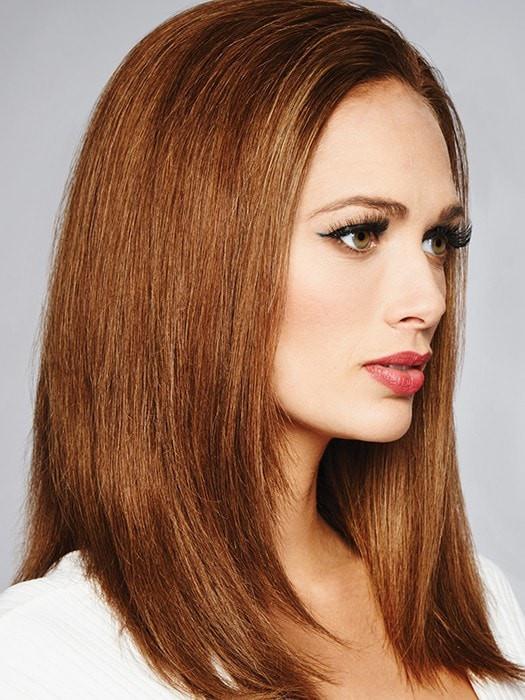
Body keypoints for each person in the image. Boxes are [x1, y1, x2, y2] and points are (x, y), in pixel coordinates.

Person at [1, 0, 524, 698]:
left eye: (439, 240)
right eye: (358, 233)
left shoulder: (481, 611)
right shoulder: (46, 661)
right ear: (192, 256)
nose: (430, 300)